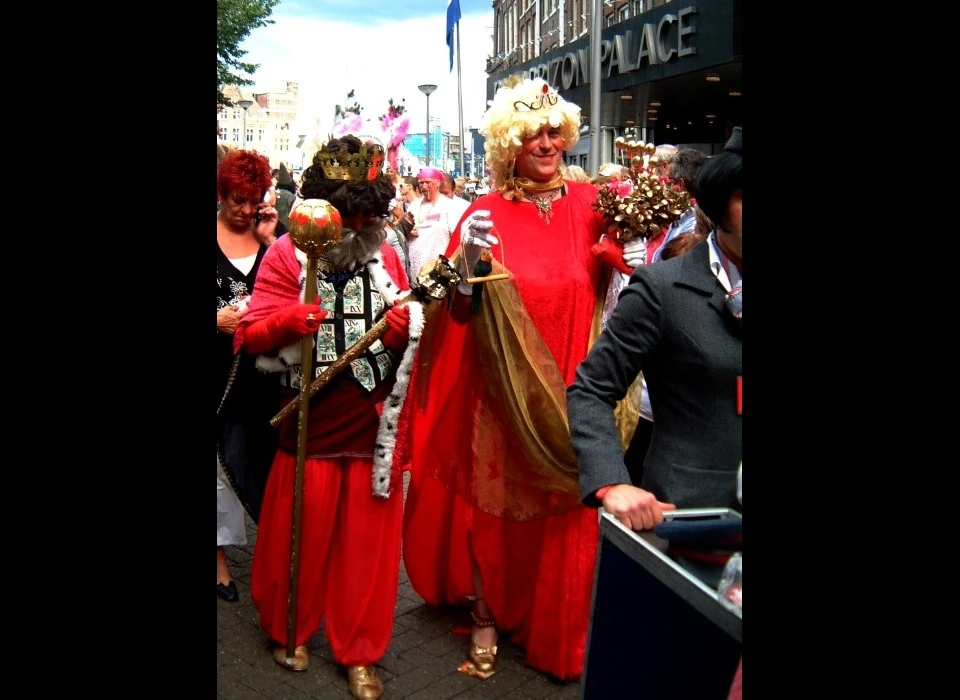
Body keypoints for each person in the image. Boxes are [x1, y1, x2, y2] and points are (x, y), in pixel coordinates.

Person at [402, 75, 626, 681]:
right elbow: (459, 314)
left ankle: (561, 623)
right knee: (497, 504)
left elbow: (626, 281)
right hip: (501, 391)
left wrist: (627, 250)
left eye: (555, 131)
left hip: (575, 390)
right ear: (508, 143)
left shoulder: (592, 206)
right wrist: (469, 265)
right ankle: (485, 612)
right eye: (531, 134)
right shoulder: (484, 213)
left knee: (567, 506)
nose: (546, 142)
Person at [235, 134, 417, 699]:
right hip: (308, 414)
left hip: (370, 415)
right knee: (303, 527)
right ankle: (288, 625)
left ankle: (360, 647)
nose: (362, 220)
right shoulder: (288, 253)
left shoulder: (386, 254)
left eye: (370, 210)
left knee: (366, 540)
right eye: (352, 208)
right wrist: (290, 320)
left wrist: (402, 329)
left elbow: (412, 327)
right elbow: (251, 333)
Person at [567, 126, 742, 530]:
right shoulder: (662, 288)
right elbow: (590, 389)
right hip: (689, 523)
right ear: (719, 202)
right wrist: (611, 482)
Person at [216, 148, 281, 602]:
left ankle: (270, 544)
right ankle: (219, 557)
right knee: (219, 464)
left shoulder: (268, 241)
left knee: (258, 457)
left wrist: (271, 240)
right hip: (216, 374)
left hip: (260, 376)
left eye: (252, 199)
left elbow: (293, 291)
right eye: (236, 199)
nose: (243, 208)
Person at [405, 167, 467, 281]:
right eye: (421, 183)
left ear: (438, 183)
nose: (424, 187)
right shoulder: (414, 206)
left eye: (428, 182)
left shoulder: (450, 206)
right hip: (414, 268)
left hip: (438, 269)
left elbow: (456, 238)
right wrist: (407, 233)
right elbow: (404, 230)